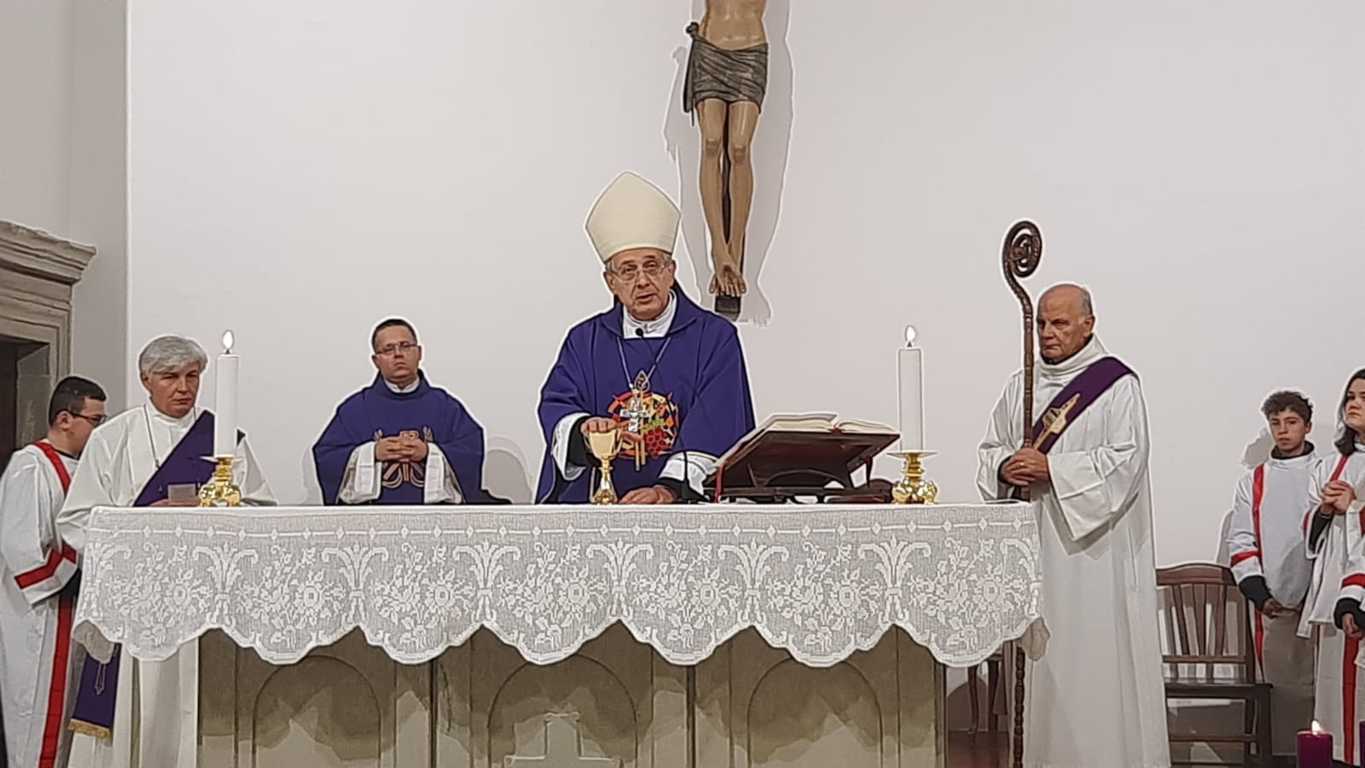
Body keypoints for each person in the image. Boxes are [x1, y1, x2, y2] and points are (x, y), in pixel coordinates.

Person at [57, 336, 273, 768]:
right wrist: (143, 519)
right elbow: (77, 519)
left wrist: (214, 509)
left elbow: (260, 509)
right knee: (139, 702)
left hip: (204, 598)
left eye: (192, 376)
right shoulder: (113, 438)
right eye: (170, 377)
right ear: (145, 380)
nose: (184, 387)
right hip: (137, 597)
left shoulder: (223, 439)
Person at [976, 283, 1169, 768]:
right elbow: (992, 449)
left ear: (1088, 324)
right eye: (1042, 322)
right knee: (1044, 670)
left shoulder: (1116, 386)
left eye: (1060, 323)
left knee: (1098, 667)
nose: (1047, 332)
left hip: (1096, 558)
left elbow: (1127, 460)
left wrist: (1053, 470)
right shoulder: (1020, 387)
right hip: (1036, 549)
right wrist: (1005, 468)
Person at [536, 171, 755, 504]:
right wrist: (585, 429)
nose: (641, 281)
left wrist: (667, 490)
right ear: (610, 282)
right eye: (628, 270)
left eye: (652, 266)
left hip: (682, 512)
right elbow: (557, 404)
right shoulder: (585, 341)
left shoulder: (713, 338)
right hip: (600, 508)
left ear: (671, 271)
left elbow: (718, 422)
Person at [0, 376, 106, 768]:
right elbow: (21, 547)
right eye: (94, 421)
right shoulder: (31, 466)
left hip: (76, 612)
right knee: (39, 720)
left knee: (70, 723)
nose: (99, 431)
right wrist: (78, 577)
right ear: (64, 419)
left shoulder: (86, 468)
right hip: (44, 616)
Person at [1225, 390, 1317, 761]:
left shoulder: (1327, 473)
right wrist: (1260, 594)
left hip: (1321, 603)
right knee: (1280, 689)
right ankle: (1280, 758)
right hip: (1275, 603)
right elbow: (1241, 539)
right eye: (1275, 423)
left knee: (1325, 689)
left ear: (1307, 426)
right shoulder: (1255, 481)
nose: (1283, 430)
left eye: (1291, 422)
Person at [313, 318, 491, 505]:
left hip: (433, 517)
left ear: (419, 353)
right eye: (388, 349)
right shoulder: (355, 409)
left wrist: (429, 452)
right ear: (376, 361)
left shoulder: (445, 406)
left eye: (405, 346)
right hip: (374, 517)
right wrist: (371, 452)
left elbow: (470, 451)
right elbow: (327, 456)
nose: (398, 354)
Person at [683, 0, 768, 305]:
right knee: (710, 143)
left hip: (751, 49)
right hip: (711, 46)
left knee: (740, 148)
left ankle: (735, 248)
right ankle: (719, 249)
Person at [1304, 369, 1365, 764]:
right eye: (1351, 397)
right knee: (1333, 690)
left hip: (1361, 585)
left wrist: (1355, 507)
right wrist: (1326, 510)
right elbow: (1308, 530)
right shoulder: (1330, 464)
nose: (1354, 404)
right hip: (1333, 586)